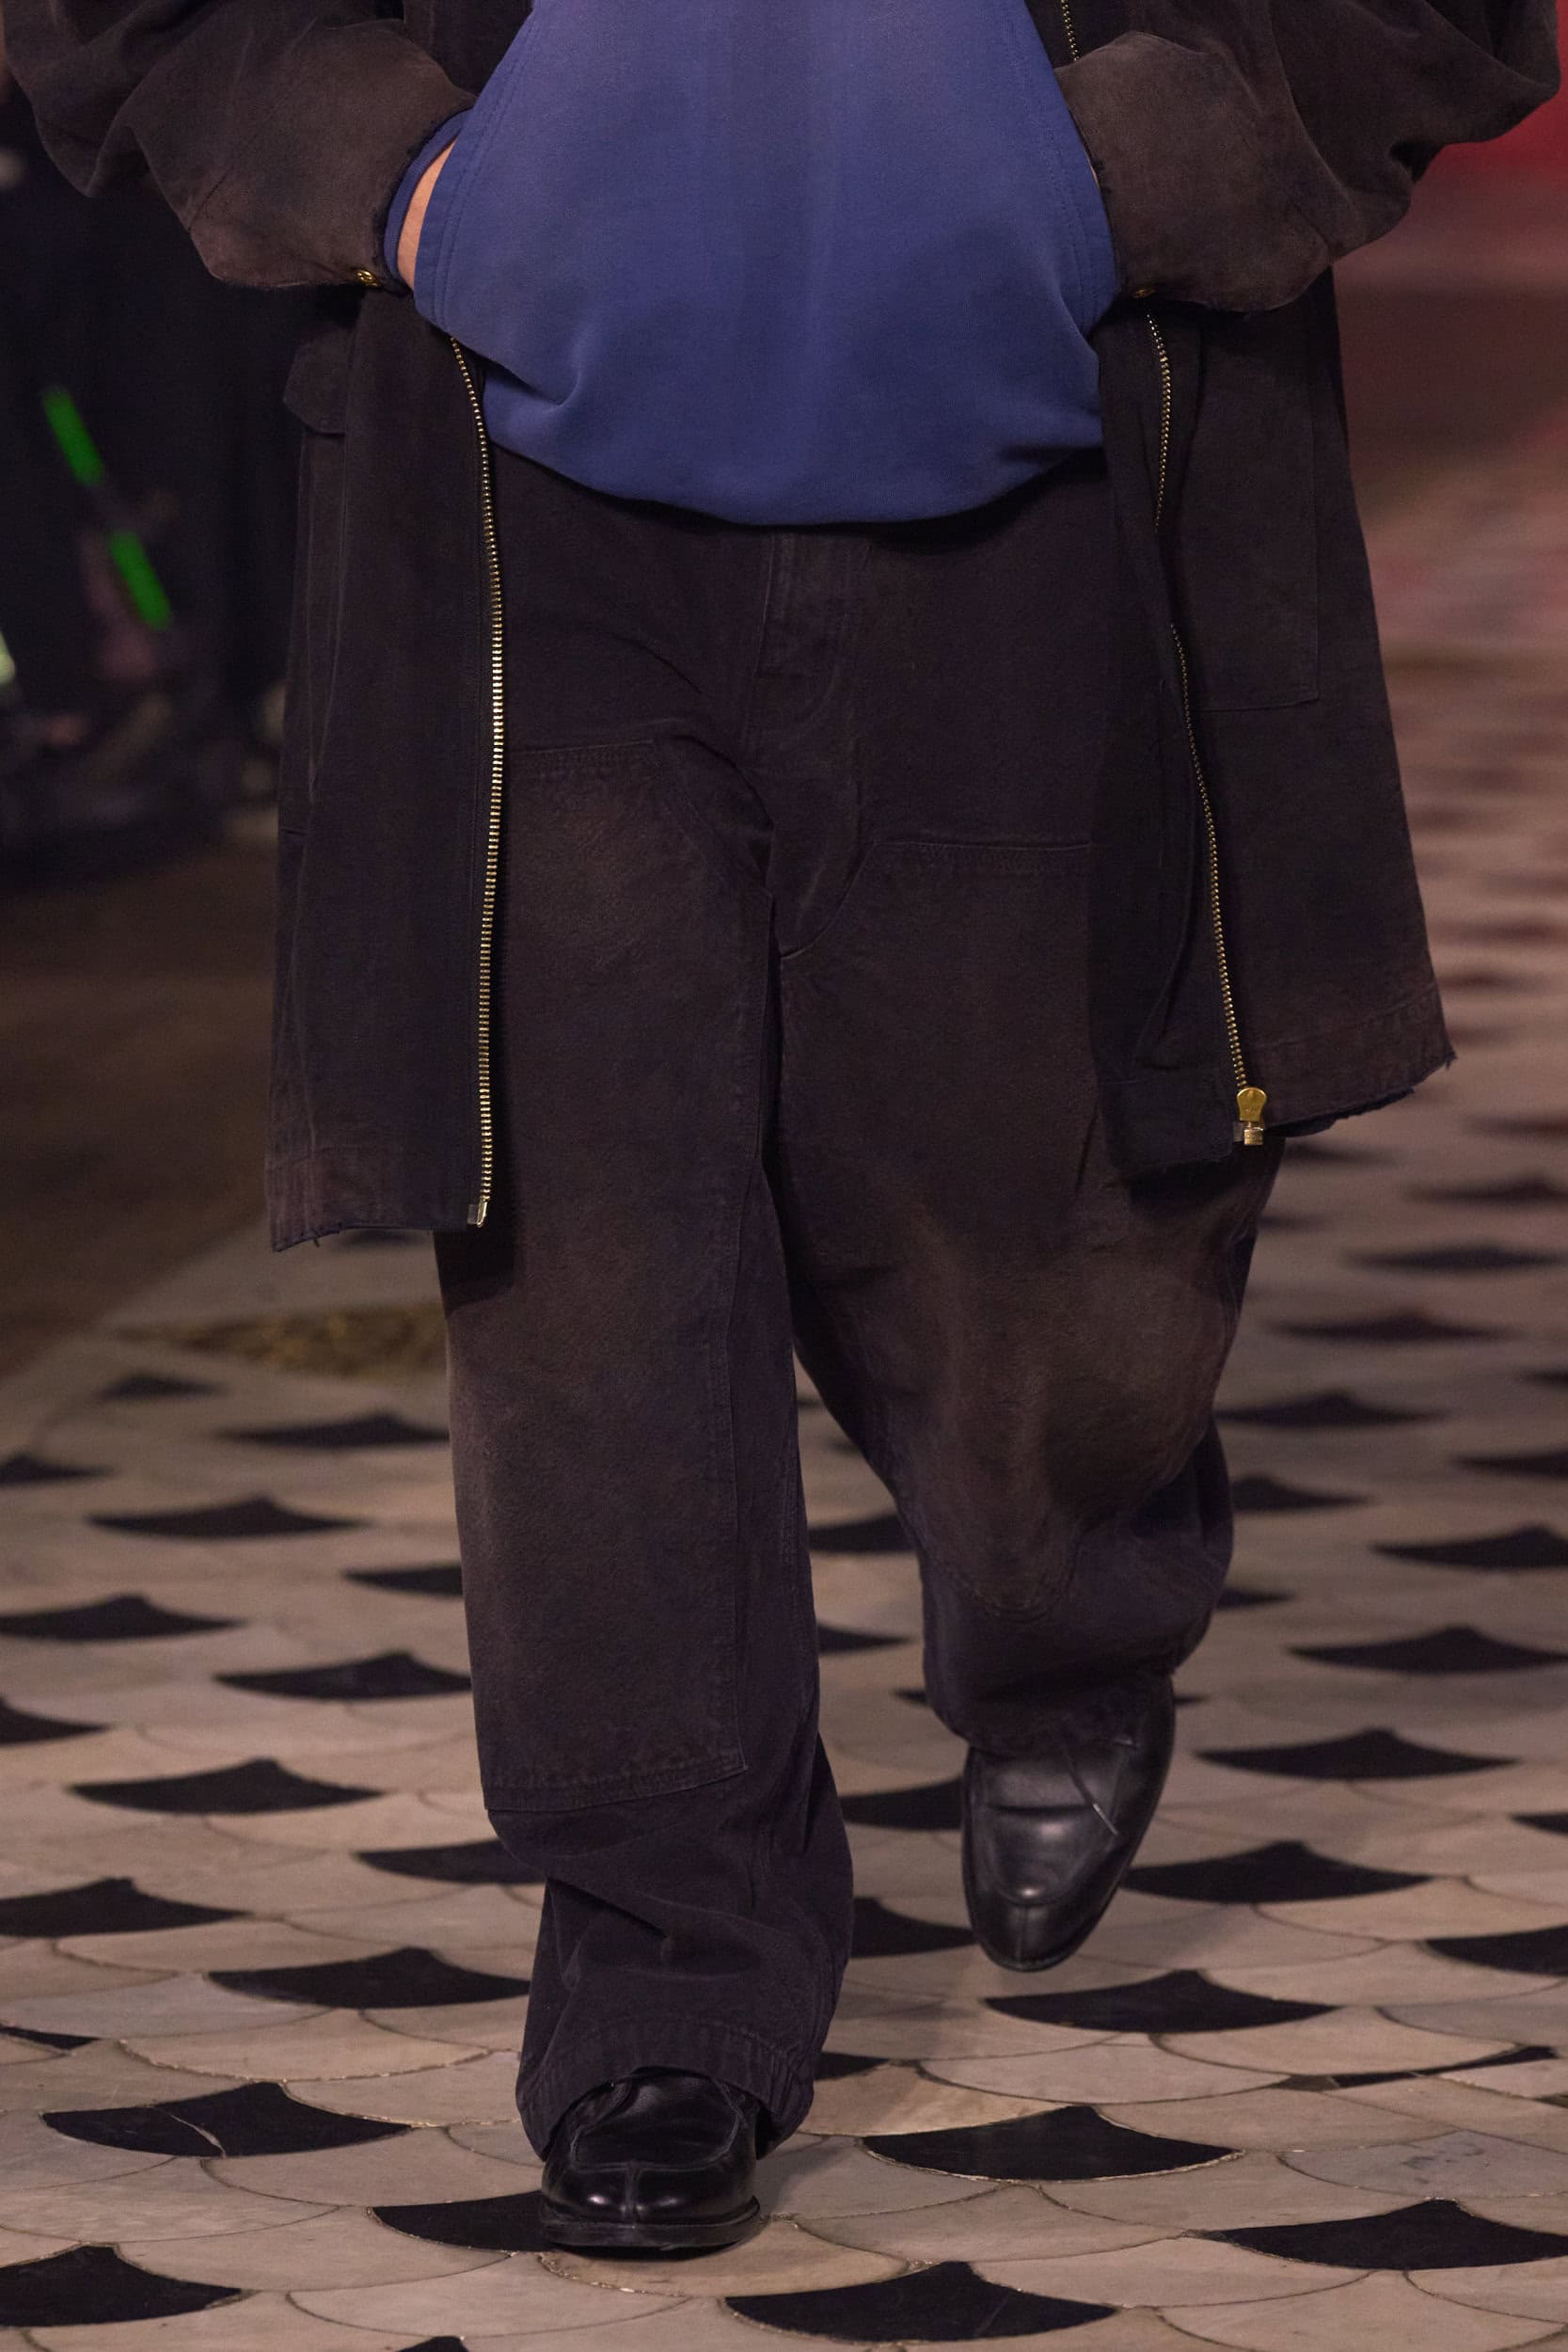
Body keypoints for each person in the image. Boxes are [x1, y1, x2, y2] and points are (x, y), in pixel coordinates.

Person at [9, 0, 1556, 2257]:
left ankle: (1060, 1610)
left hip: (1055, 441)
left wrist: (1107, 176)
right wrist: (414, 179)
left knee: (1040, 1225)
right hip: (515, 474)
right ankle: (665, 1969)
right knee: (593, 1260)